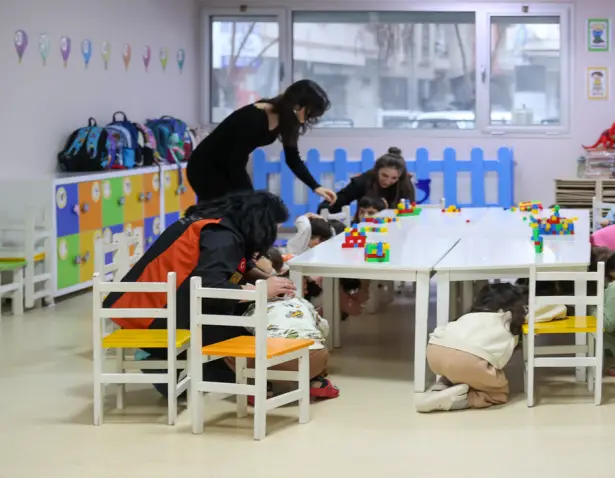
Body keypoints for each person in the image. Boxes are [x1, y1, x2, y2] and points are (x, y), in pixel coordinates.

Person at [103, 191, 295, 393]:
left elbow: (236, 266)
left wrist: (267, 282)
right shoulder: (221, 237)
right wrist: (261, 291)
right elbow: (211, 290)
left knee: (247, 313)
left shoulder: (218, 223)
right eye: (274, 227)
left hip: (156, 305)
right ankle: (165, 361)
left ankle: (180, 367)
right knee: (250, 325)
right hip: (156, 317)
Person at [186, 79, 338, 205]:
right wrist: (250, 197)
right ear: (296, 105)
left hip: (228, 165)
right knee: (224, 214)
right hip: (205, 166)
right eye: (308, 113)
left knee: (236, 213)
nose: (306, 119)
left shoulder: (287, 121)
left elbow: (293, 158)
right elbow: (236, 161)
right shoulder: (254, 117)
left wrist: (316, 186)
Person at [416, 283, 527, 413]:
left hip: (435, 350)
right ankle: (458, 400)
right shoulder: (509, 318)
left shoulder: (469, 315)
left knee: (454, 365)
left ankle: (441, 387)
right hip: (468, 360)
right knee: (498, 394)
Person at [228, 295, 340, 401]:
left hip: (270, 364)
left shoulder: (255, 306)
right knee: (318, 342)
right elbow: (324, 328)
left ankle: (261, 387)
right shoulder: (302, 302)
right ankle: (317, 383)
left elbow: (247, 328)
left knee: (243, 349)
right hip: (311, 361)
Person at [318, 147, 416, 213]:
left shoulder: (405, 185)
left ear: (400, 177)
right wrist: (324, 210)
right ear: (377, 170)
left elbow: (410, 211)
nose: (387, 181)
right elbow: (341, 199)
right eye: (384, 175)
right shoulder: (362, 181)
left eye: (394, 178)